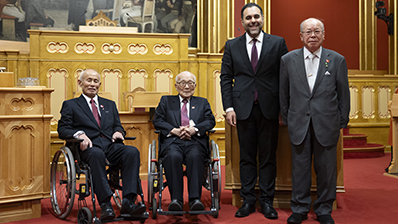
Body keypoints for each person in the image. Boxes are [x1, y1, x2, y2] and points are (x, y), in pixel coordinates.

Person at [220, 2, 288, 219]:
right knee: (247, 158)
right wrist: (229, 107)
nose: (253, 21)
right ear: (242, 22)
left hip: (270, 110)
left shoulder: (278, 43)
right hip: (242, 110)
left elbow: (285, 78)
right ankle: (248, 200)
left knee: (268, 157)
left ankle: (267, 202)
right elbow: (225, 78)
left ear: (262, 18)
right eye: (248, 18)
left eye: (256, 16)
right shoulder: (232, 46)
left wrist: (283, 109)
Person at [279, 18, 350, 224]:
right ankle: (299, 208)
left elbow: (343, 94)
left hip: (327, 123)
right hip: (299, 123)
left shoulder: (337, 60)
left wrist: (342, 120)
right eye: (308, 32)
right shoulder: (288, 60)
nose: (312, 35)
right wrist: (287, 116)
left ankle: (324, 209)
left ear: (324, 34)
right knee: (299, 168)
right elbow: (284, 94)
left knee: (326, 170)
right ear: (300, 36)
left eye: (317, 31)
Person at [57, 69, 146, 221]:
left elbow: (118, 126)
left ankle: (128, 202)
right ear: (80, 83)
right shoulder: (71, 105)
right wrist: (79, 134)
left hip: (110, 146)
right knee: (96, 155)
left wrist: (119, 132)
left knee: (132, 151)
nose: (92, 84)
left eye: (95, 81)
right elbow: (63, 129)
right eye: (89, 80)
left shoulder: (109, 105)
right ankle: (105, 204)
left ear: (99, 84)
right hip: (88, 148)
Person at [152, 71, 216, 211]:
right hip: (173, 142)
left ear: (195, 85)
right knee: (173, 157)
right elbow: (157, 120)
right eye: (183, 83)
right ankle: (176, 199)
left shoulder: (202, 102)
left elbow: (210, 121)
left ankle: (195, 199)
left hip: (195, 141)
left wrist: (195, 129)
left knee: (195, 156)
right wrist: (173, 130)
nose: (187, 86)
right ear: (176, 86)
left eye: (190, 83)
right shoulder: (166, 101)